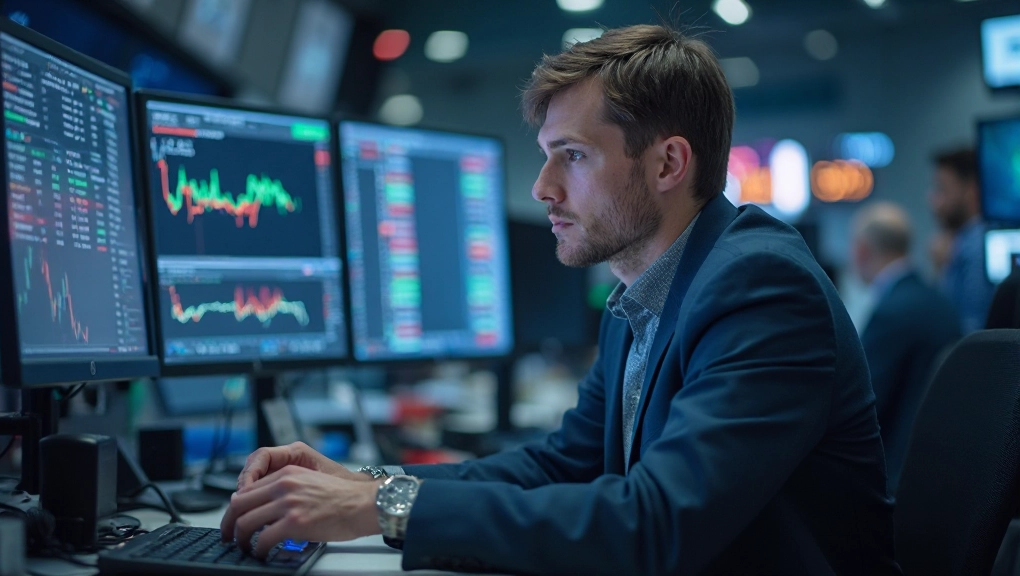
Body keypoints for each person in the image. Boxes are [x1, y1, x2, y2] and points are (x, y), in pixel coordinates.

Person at [220, 24, 899, 575]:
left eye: (571, 155)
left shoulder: (759, 289)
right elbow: (557, 466)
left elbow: (654, 525)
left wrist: (386, 508)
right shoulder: (642, 296)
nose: (543, 187)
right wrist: (364, 481)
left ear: (668, 164)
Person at [851, 202, 961, 497]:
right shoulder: (940, 301)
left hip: (895, 478)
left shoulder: (891, 313)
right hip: (942, 467)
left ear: (861, 250)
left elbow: (862, 404)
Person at [928, 147, 995, 334]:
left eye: (942, 188)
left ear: (971, 190)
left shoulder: (977, 247)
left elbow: (970, 330)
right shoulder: (958, 243)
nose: (932, 199)